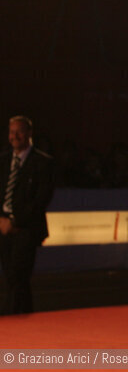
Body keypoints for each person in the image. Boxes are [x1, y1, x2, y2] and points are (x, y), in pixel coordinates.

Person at [0, 116, 56, 315]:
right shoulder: (3, 160)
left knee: (19, 275)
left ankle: (13, 317)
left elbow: (41, 200)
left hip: (26, 229)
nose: (14, 136)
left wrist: (15, 221)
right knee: (11, 277)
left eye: (19, 132)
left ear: (29, 133)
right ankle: (23, 317)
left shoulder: (43, 163)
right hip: (3, 228)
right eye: (11, 132)